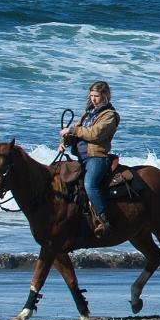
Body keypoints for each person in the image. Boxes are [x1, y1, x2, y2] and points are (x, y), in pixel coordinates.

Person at [60, 80, 121, 238]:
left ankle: (103, 220)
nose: (93, 99)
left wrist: (73, 129)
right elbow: (77, 133)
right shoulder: (88, 114)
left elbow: (94, 134)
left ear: (105, 96)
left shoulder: (109, 116)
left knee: (90, 184)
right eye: (91, 95)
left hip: (97, 157)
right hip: (81, 157)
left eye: (97, 96)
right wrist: (65, 141)